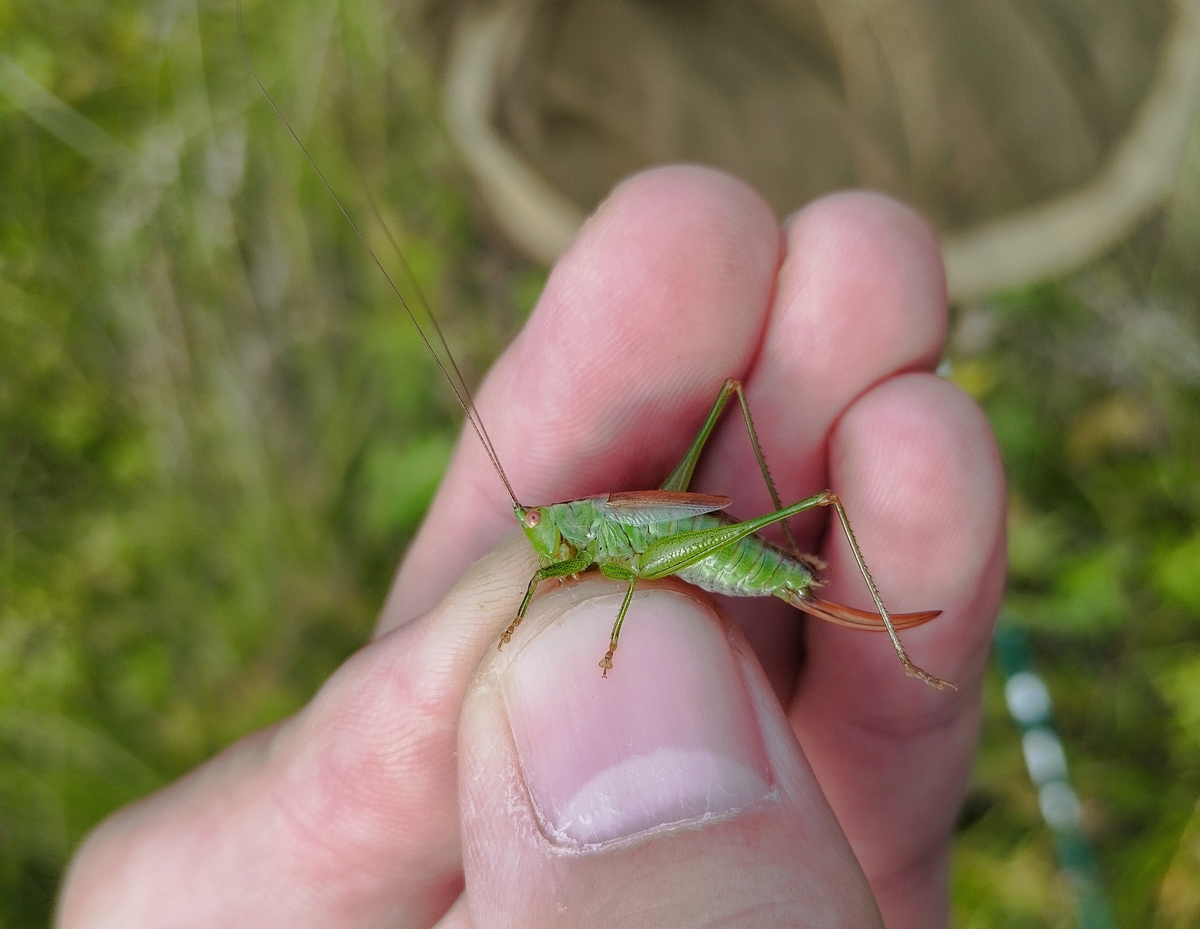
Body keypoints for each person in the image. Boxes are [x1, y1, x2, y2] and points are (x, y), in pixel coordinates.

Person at [57, 166, 1005, 928]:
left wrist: (615, 634)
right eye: (539, 536)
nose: (538, 541)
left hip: (697, 550)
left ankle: (874, 619)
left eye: (541, 534)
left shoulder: (589, 544)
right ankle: (868, 616)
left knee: (808, 471)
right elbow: (558, 570)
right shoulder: (561, 540)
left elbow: (622, 574)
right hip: (665, 545)